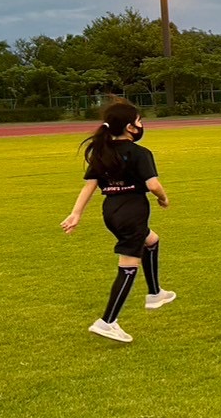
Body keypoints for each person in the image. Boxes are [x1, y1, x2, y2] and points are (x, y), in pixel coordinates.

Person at [60, 102, 173, 343]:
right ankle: (107, 321)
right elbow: (153, 185)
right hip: (132, 211)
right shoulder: (140, 153)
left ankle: (155, 293)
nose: (142, 125)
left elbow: (89, 186)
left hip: (111, 210)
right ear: (131, 128)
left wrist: (76, 213)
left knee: (151, 240)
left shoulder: (103, 151)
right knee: (128, 265)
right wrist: (163, 198)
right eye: (139, 121)